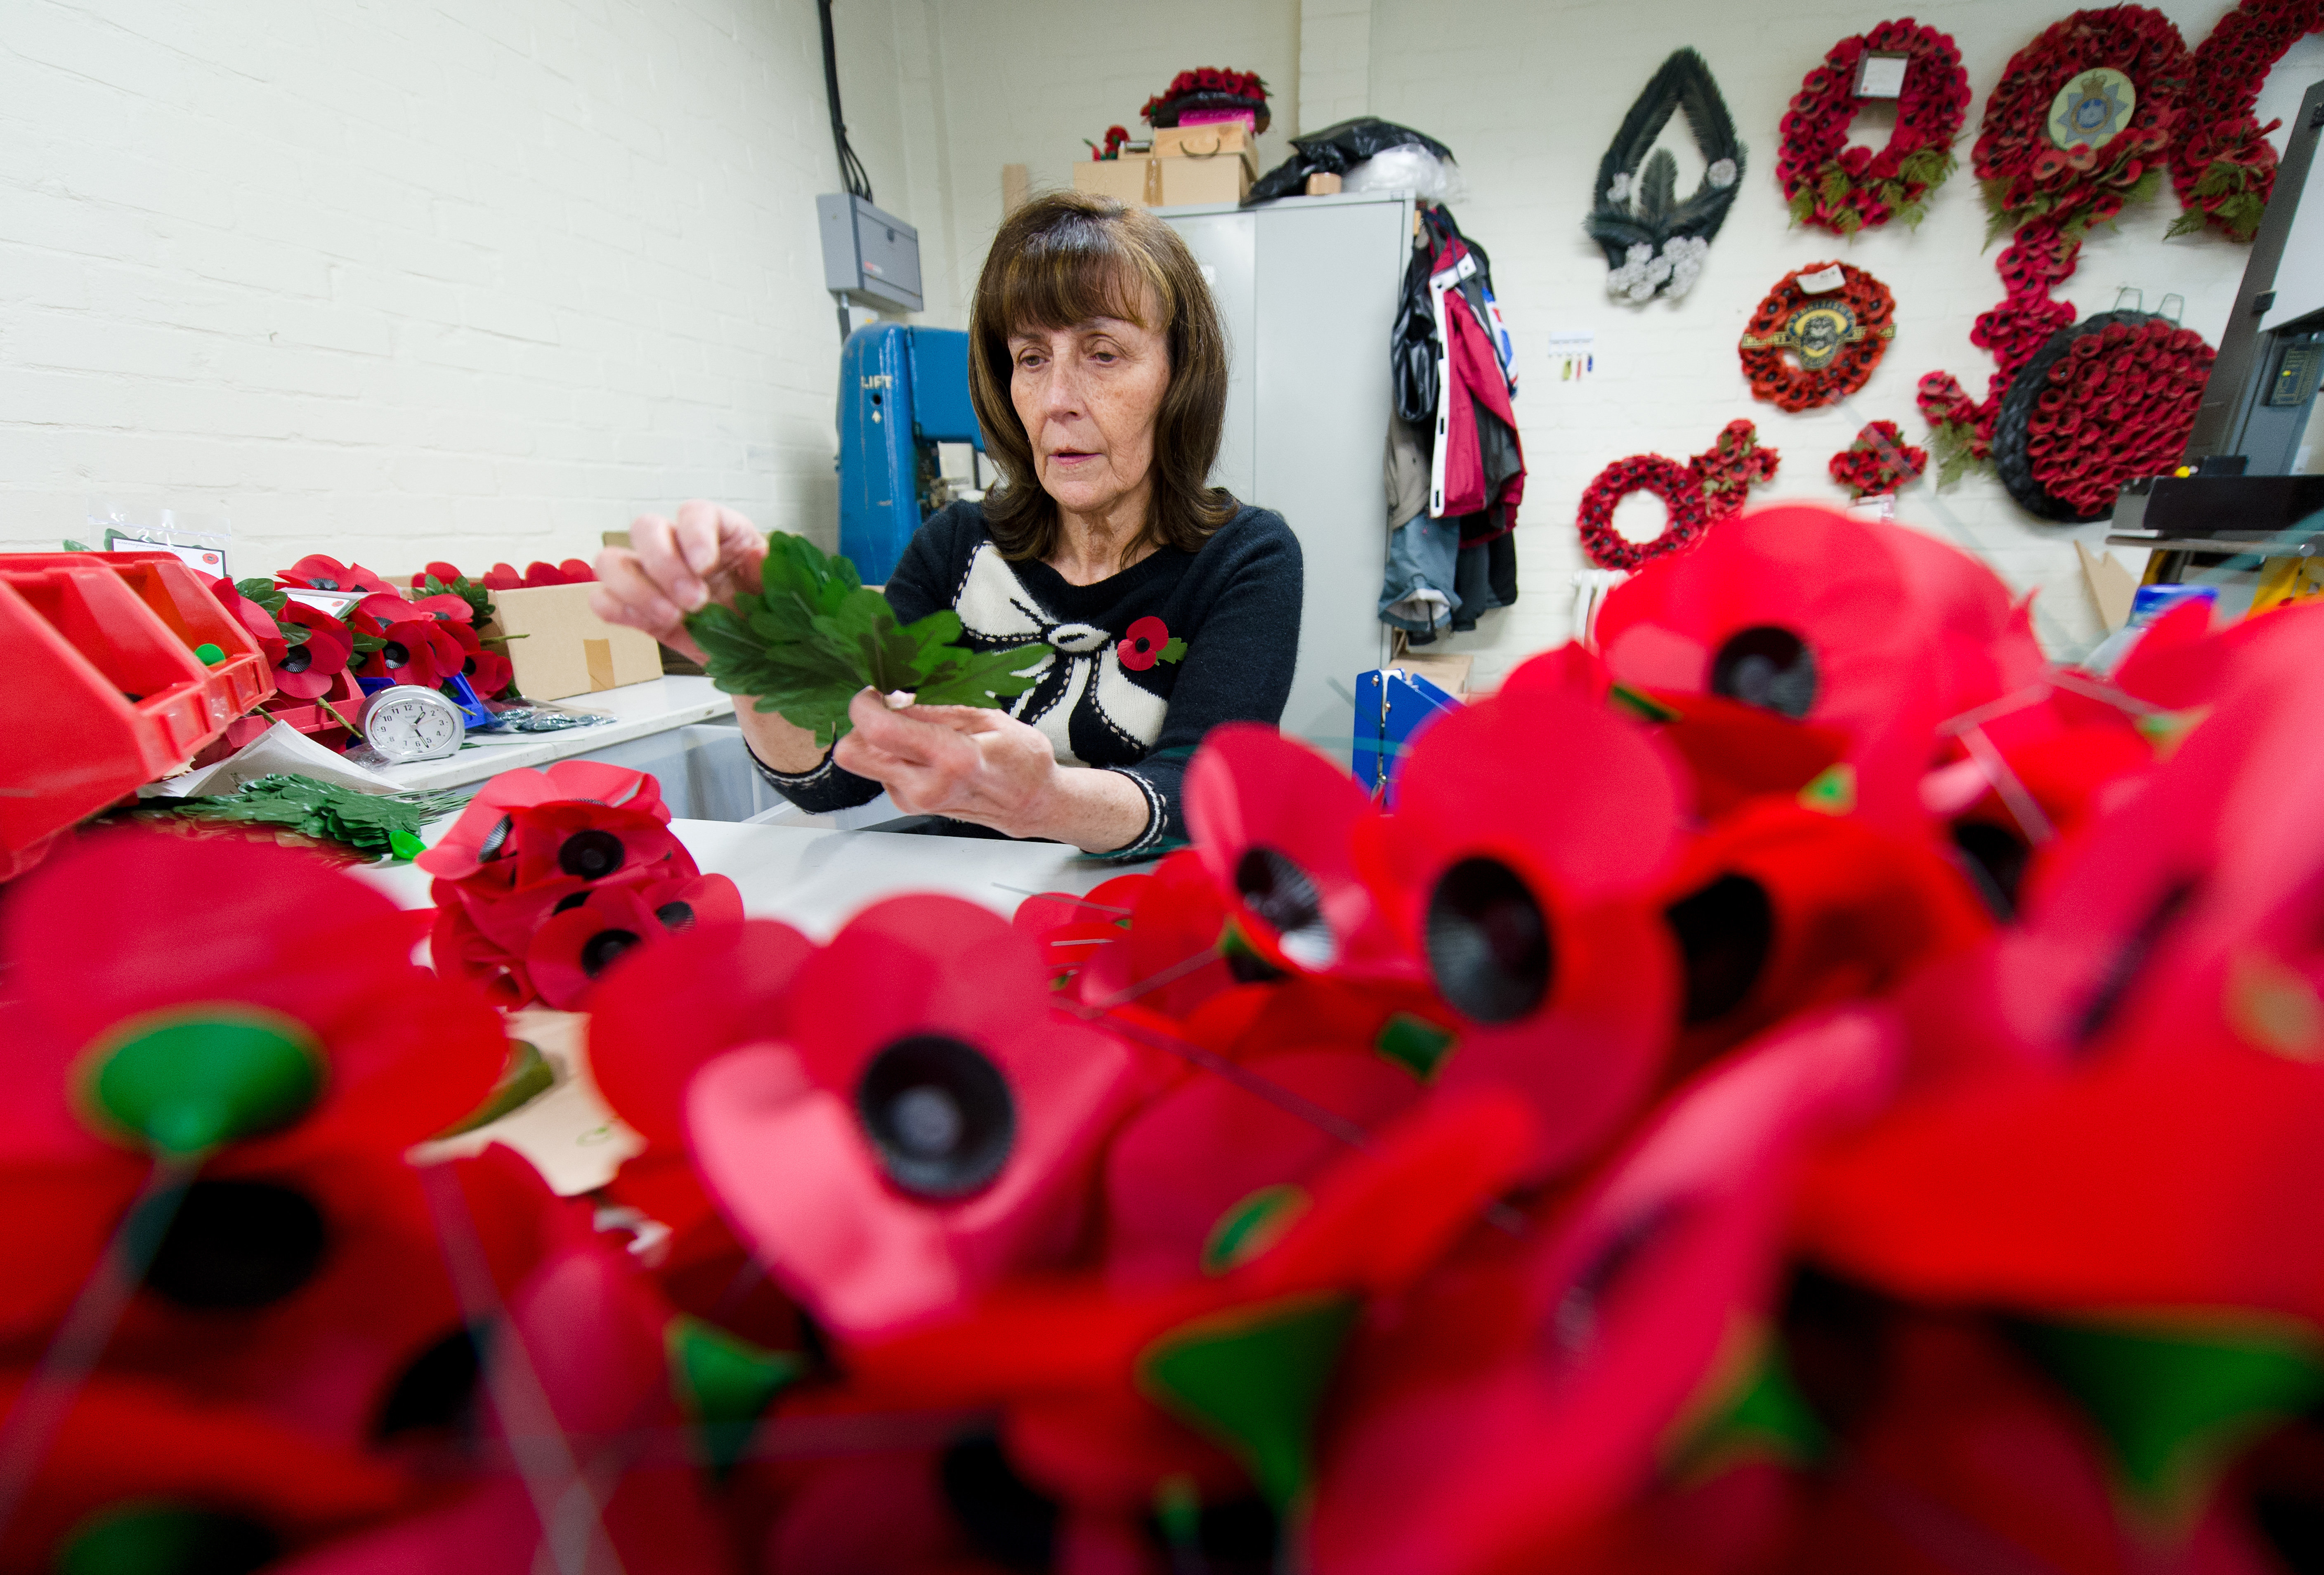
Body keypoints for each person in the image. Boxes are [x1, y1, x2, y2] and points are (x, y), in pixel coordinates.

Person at [593, 191, 1304, 857]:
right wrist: (758, 663)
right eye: (1031, 358)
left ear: (1180, 378)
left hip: (1138, 924)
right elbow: (837, 776)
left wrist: (1046, 803)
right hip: (963, 913)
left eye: (1104, 353)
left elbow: (1208, 793)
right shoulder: (958, 546)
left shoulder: (1245, 557)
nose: (1057, 399)